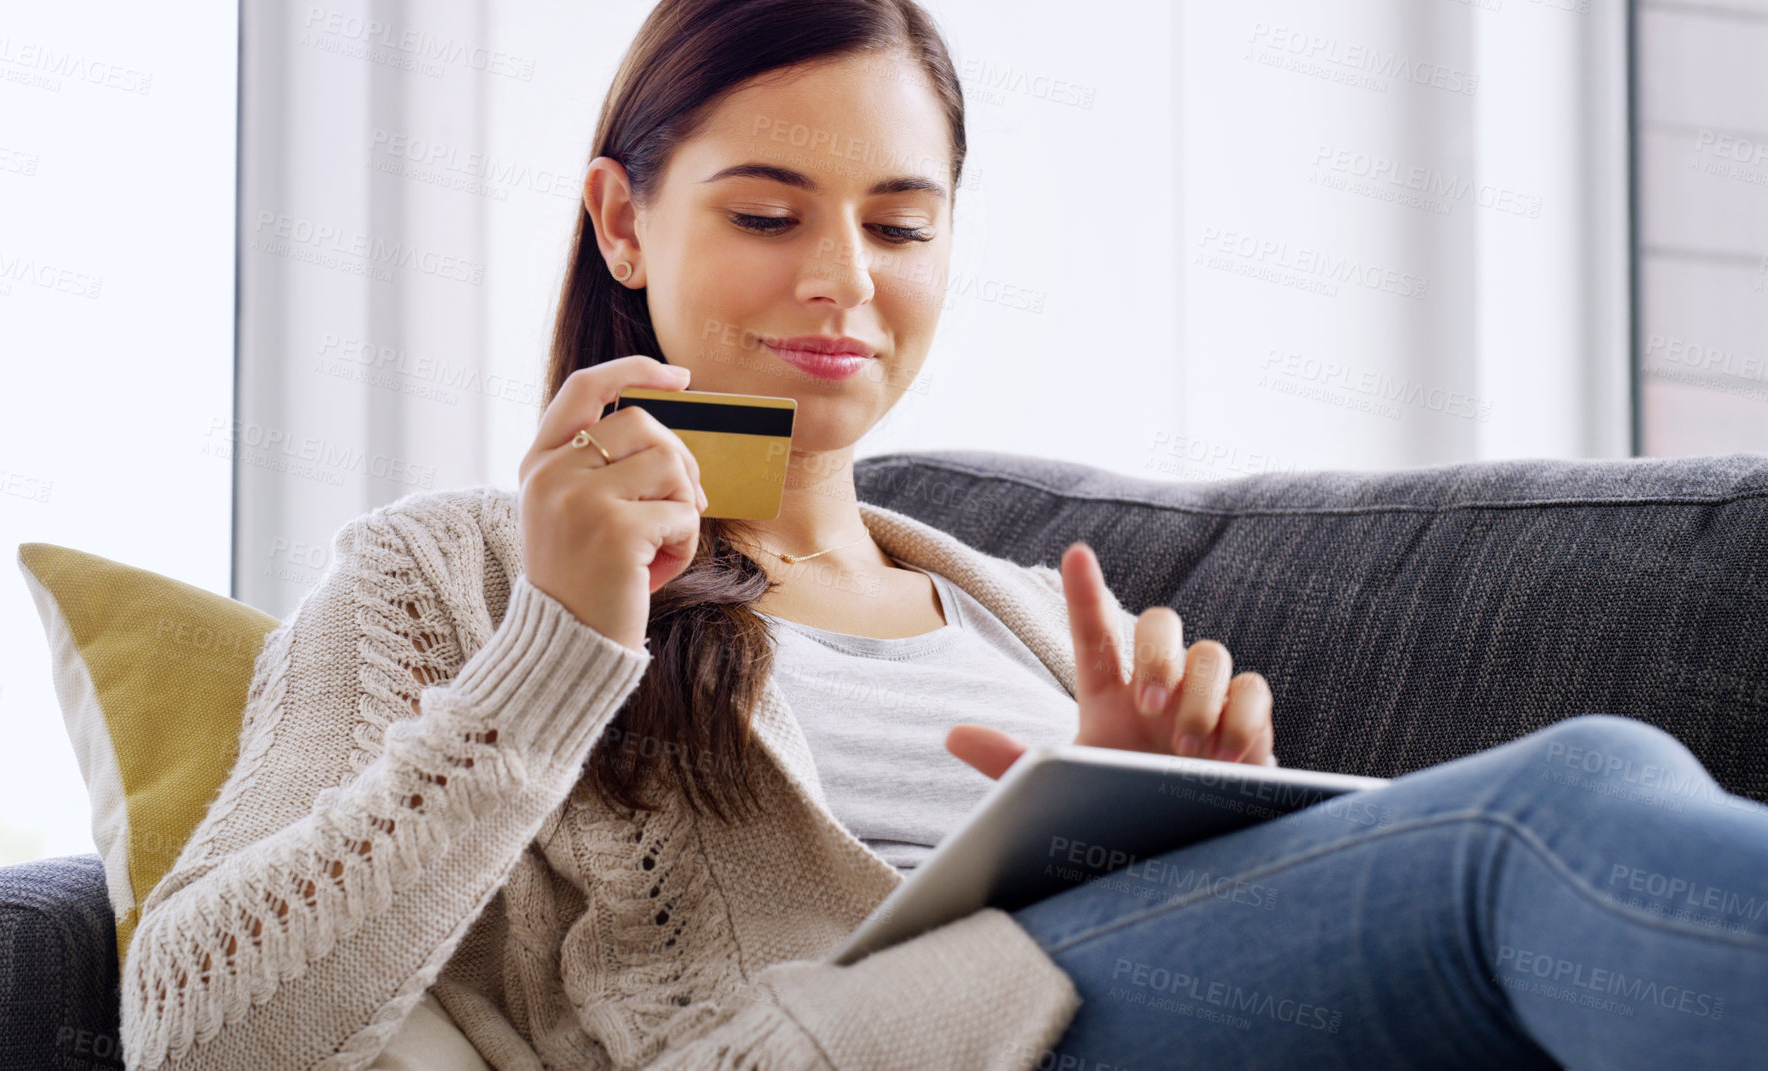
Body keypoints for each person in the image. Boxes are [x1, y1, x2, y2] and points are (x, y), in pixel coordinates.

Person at [118, 2, 1768, 1069]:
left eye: (900, 223)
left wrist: (1180, 821)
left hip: (1097, 1024)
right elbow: (198, 1027)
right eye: (766, 213)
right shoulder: (454, 570)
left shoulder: (1021, 615)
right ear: (624, 221)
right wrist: (558, 654)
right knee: (1554, 812)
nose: (843, 275)